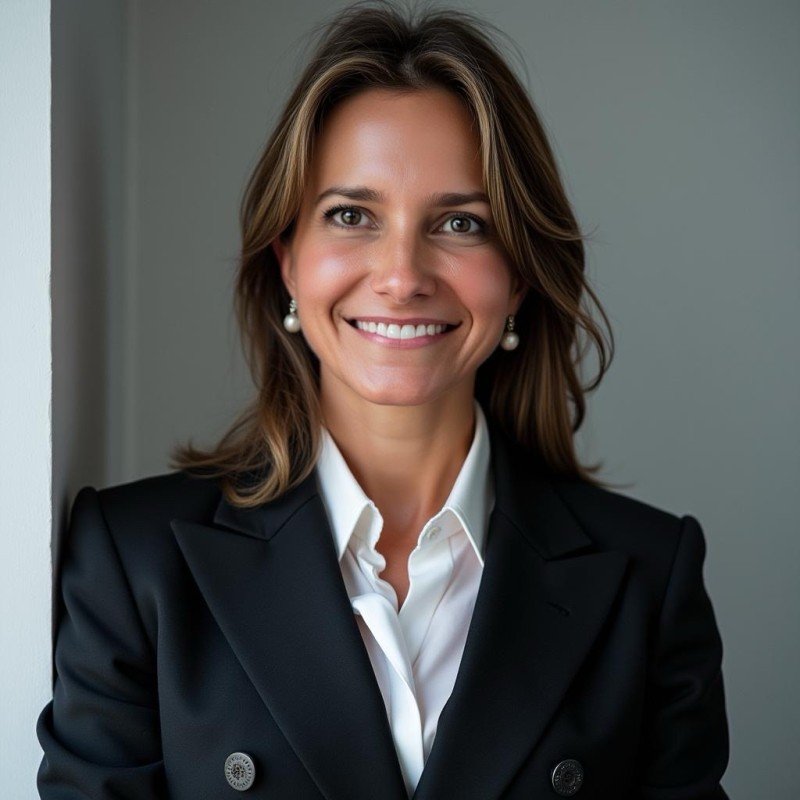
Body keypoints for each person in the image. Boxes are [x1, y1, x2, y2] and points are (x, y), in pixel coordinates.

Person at [36, 2, 730, 798]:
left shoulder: (648, 578)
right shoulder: (134, 564)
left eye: (462, 222)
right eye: (352, 215)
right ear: (287, 261)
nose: (402, 275)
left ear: (520, 278)